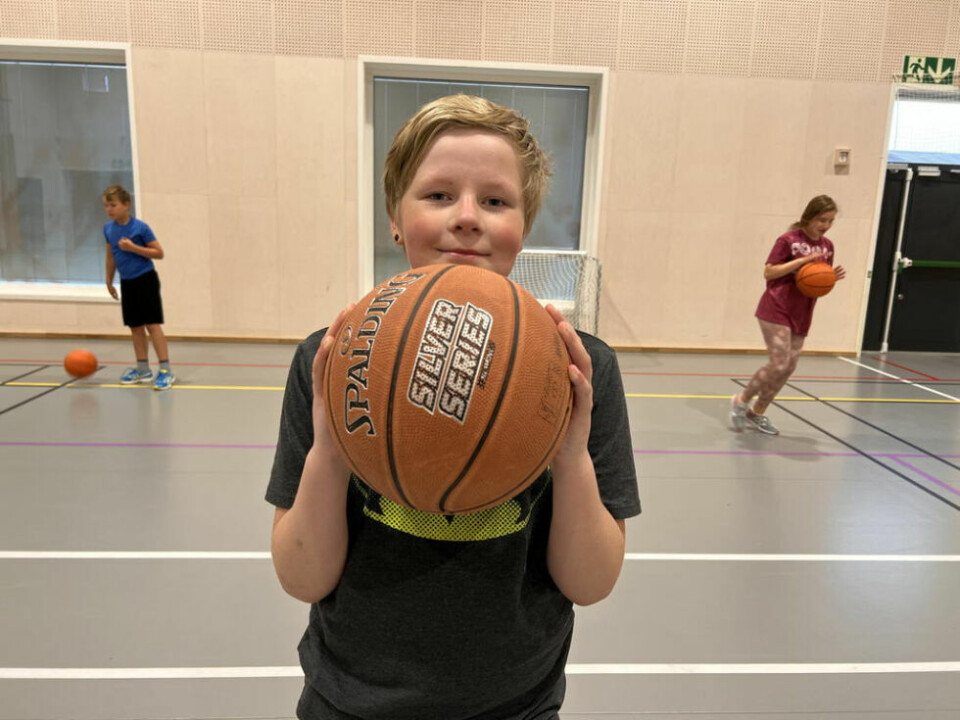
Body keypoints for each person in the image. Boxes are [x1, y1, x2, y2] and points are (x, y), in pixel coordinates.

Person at [266, 95, 640, 720]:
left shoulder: (583, 369)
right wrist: (332, 450)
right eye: (438, 195)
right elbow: (303, 577)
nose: (467, 217)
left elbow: (591, 582)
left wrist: (570, 455)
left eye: (495, 200)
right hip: (350, 699)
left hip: (516, 704)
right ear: (395, 215)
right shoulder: (327, 358)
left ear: (525, 222)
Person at [731, 194, 846, 435]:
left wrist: (828, 278)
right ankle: (742, 399)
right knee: (779, 361)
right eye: (821, 220)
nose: (825, 226)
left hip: (803, 309)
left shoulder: (828, 246)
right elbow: (769, 272)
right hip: (776, 306)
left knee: (789, 366)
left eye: (830, 221)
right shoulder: (788, 240)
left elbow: (814, 279)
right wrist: (803, 262)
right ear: (809, 216)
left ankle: (757, 412)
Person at [102, 185, 175, 391]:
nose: (109, 209)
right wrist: (109, 280)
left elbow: (158, 253)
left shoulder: (140, 228)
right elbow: (110, 256)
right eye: (106, 206)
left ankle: (165, 369)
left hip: (145, 279)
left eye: (113, 205)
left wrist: (133, 248)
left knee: (152, 324)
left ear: (126, 205)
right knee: (135, 326)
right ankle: (142, 368)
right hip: (127, 282)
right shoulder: (108, 229)